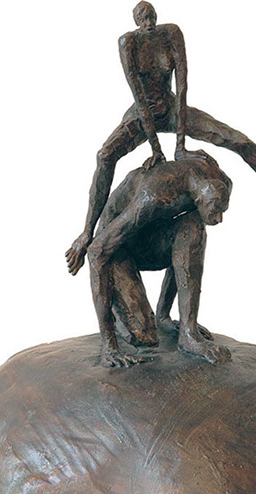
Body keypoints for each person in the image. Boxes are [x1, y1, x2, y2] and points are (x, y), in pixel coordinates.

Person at [67, 1, 256, 271]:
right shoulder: (128, 43)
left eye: (152, 17)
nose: (149, 23)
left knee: (240, 142)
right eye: (143, 19)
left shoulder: (171, 33)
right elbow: (139, 98)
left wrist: (180, 146)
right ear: (136, 22)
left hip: (172, 107)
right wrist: (156, 149)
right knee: (104, 156)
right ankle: (86, 233)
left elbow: (182, 85)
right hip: (141, 114)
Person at [67, 155, 233, 367]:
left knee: (192, 228)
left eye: (222, 210)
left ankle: (185, 331)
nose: (219, 219)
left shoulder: (219, 180)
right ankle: (120, 330)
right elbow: (97, 252)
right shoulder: (153, 197)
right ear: (200, 199)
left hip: (148, 239)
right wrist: (110, 346)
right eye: (215, 210)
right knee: (143, 335)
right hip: (118, 248)